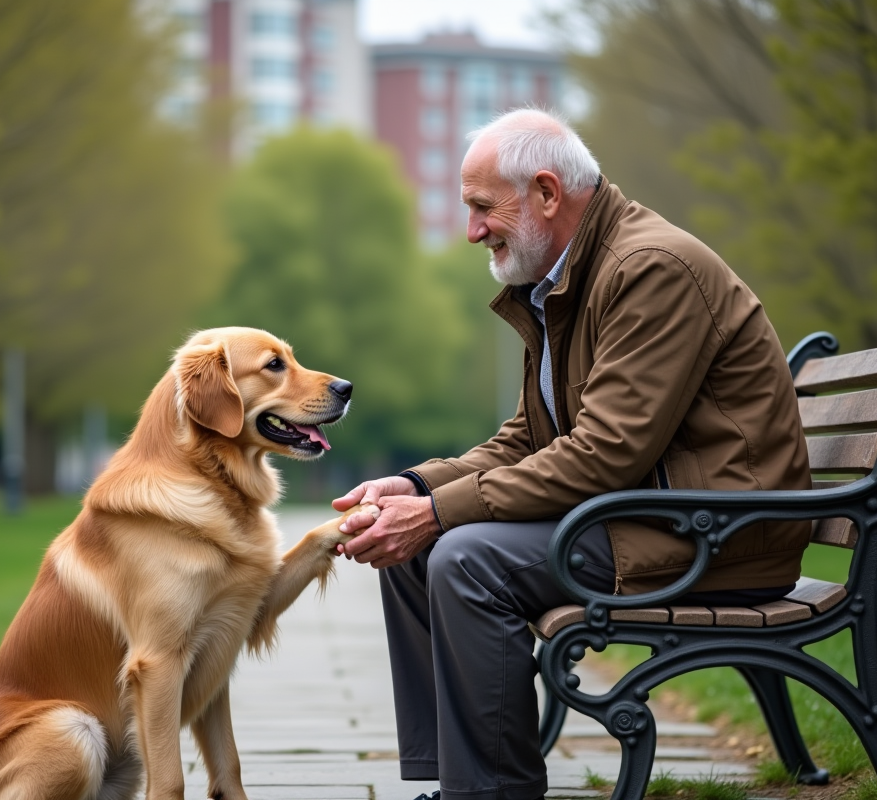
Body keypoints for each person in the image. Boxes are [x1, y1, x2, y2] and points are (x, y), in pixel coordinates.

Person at [332, 108, 811, 800]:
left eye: (480, 207)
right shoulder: (566, 280)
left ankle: (495, 791)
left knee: (467, 559)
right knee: (409, 544)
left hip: (717, 532)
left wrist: (440, 514)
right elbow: (531, 438)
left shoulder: (650, 270)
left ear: (547, 194)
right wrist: (415, 487)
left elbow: (603, 454)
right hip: (651, 514)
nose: (471, 231)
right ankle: (465, 781)